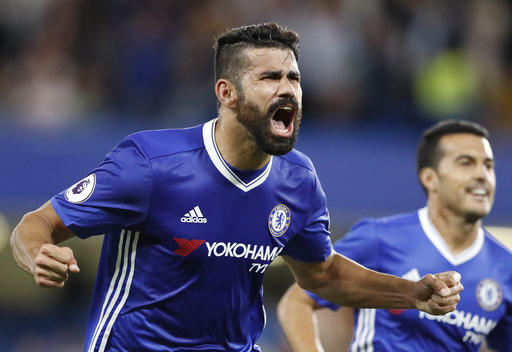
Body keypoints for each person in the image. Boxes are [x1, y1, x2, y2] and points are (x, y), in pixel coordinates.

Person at [10, 23, 463, 352]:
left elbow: (322, 274)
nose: (288, 90)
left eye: (294, 79)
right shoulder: (151, 165)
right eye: (270, 78)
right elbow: (35, 225)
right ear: (226, 93)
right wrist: (38, 253)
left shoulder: (298, 181)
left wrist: (411, 294)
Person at [278, 120, 512, 352]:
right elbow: (296, 302)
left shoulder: (505, 268)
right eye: (466, 163)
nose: (483, 175)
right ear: (430, 178)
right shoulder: (381, 238)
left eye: (488, 165)